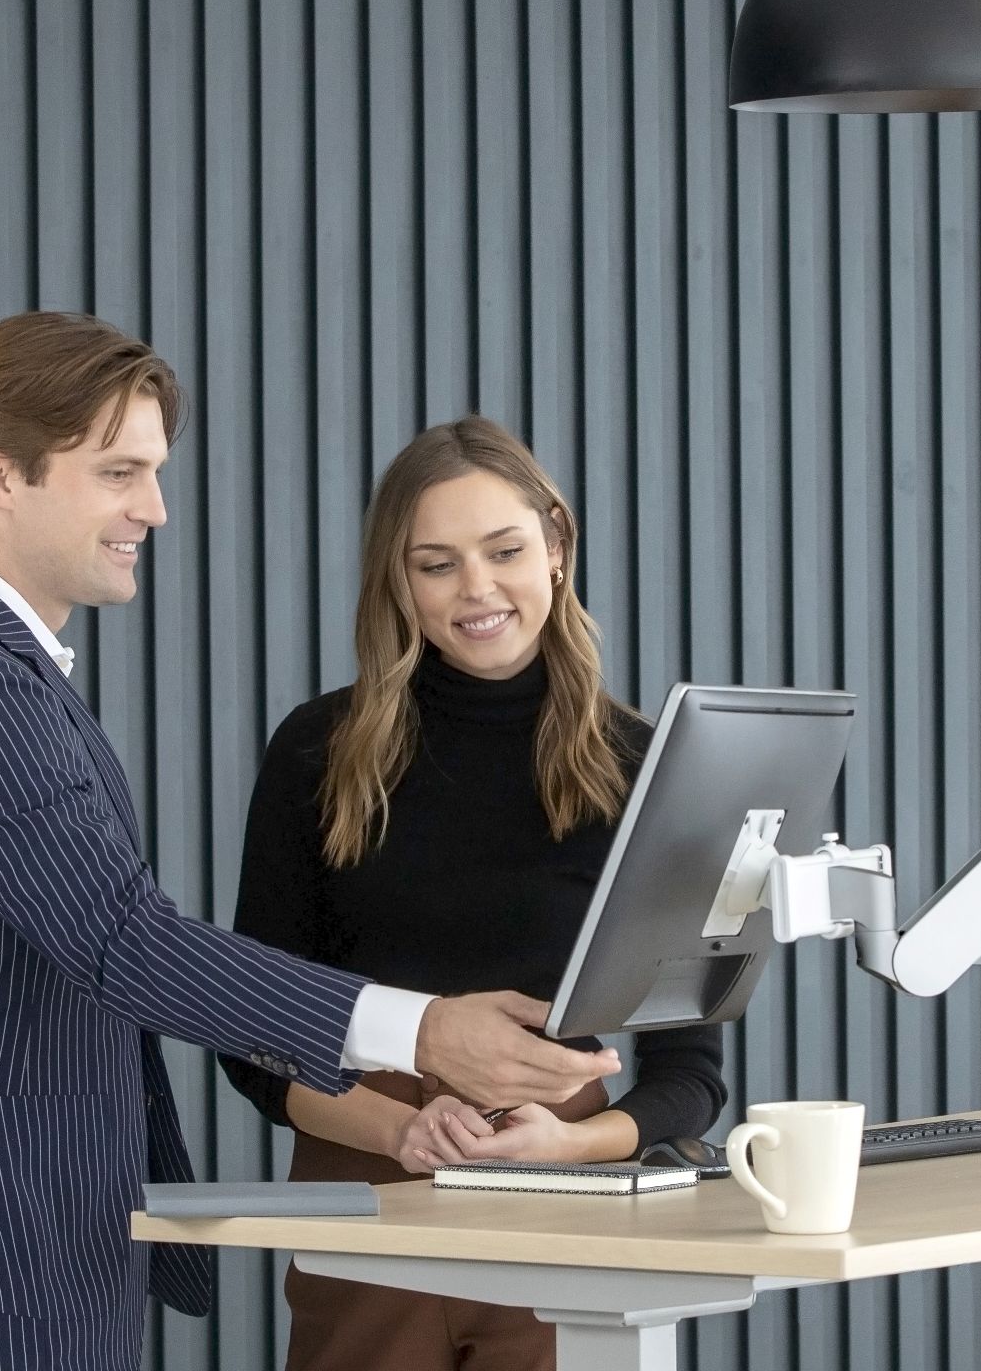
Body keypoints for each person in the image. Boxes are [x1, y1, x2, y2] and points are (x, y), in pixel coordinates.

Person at [0, 314, 618, 1371]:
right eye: (120, 473)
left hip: (22, 1242)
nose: (154, 507)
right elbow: (124, 945)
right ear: (0, 476)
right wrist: (422, 1033)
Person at [224, 416, 726, 1371]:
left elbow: (687, 1077)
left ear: (557, 545)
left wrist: (569, 1150)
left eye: (503, 551)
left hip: (567, 1214)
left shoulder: (645, 767)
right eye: (436, 564)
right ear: (397, 581)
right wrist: (400, 1129)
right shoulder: (314, 753)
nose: (477, 590)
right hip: (368, 1198)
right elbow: (255, 1043)